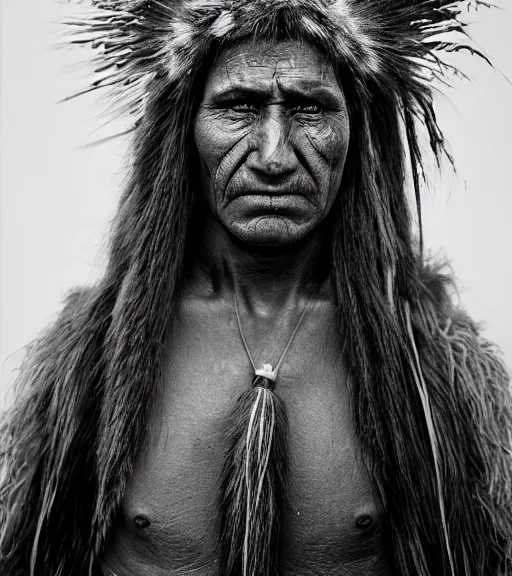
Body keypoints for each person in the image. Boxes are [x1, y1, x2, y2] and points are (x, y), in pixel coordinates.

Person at [1, 1, 511, 575]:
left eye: (309, 107)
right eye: (239, 106)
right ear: (184, 129)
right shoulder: (85, 364)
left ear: (358, 132)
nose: (272, 156)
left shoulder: (434, 371)